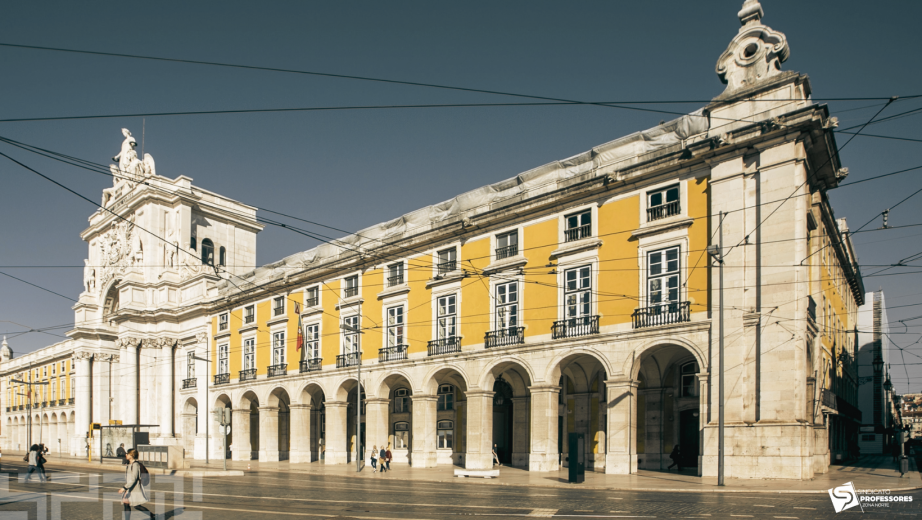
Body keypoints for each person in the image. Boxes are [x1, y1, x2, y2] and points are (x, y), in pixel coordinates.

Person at [118, 449, 153, 519]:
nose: (126, 455)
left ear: (131, 455)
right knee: (126, 503)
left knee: (136, 506)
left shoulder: (135, 465)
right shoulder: (130, 464)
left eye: (127, 454)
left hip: (134, 488)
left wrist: (124, 488)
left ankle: (152, 515)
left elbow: (133, 479)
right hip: (130, 488)